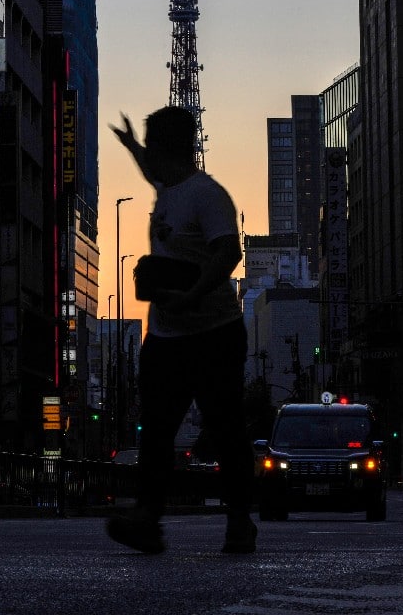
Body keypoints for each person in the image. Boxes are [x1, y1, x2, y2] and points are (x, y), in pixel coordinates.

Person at [105, 105, 256, 555]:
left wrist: (190, 297)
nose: (148, 157)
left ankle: (239, 521)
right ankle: (147, 521)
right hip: (167, 337)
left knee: (225, 429)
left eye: (152, 146)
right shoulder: (167, 186)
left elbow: (229, 252)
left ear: (169, 148)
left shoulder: (206, 195)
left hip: (214, 333)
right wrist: (131, 145)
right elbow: (151, 169)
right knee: (155, 431)